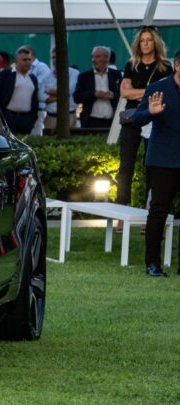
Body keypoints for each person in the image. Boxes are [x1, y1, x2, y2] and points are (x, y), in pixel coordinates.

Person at [130, 48, 180, 277]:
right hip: (162, 160)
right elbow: (136, 119)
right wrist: (151, 112)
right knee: (158, 212)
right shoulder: (158, 88)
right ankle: (153, 265)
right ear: (177, 66)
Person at [118, 26, 173, 207]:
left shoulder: (165, 67)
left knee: (152, 167)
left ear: (155, 42)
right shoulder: (131, 64)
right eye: (142, 40)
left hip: (154, 119)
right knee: (126, 166)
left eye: (149, 39)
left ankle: (149, 211)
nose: (146, 43)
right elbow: (125, 92)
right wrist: (150, 92)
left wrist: (138, 92)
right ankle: (121, 210)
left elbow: (165, 94)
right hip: (133, 118)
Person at [0, 46, 41, 135]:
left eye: (29, 60)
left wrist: (32, 119)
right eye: (24, 60)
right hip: (9, 118)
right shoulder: (4, 76)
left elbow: (35, 101)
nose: (27, 62)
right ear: (17, 60)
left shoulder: (33, 78)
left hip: (26, 119)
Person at [74, 46, 122, 129]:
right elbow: (77, 97)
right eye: (92, 57)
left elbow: (123, 96)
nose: (93, 60)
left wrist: (112, 95)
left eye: (97, 57)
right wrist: (94, 94)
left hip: (112, 122)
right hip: (90, 122)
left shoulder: (116, 75)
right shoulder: (84, 76)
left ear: (107, 58)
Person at [42, 47, 79, 132]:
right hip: (50, 118)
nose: (55, 60)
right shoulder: (47, 76)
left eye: (58, 57)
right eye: (53, 57)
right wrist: (62, 96)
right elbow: (41, 96)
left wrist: (50, 92)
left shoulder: (74, 73)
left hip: (69, 116)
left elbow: (69, 91)